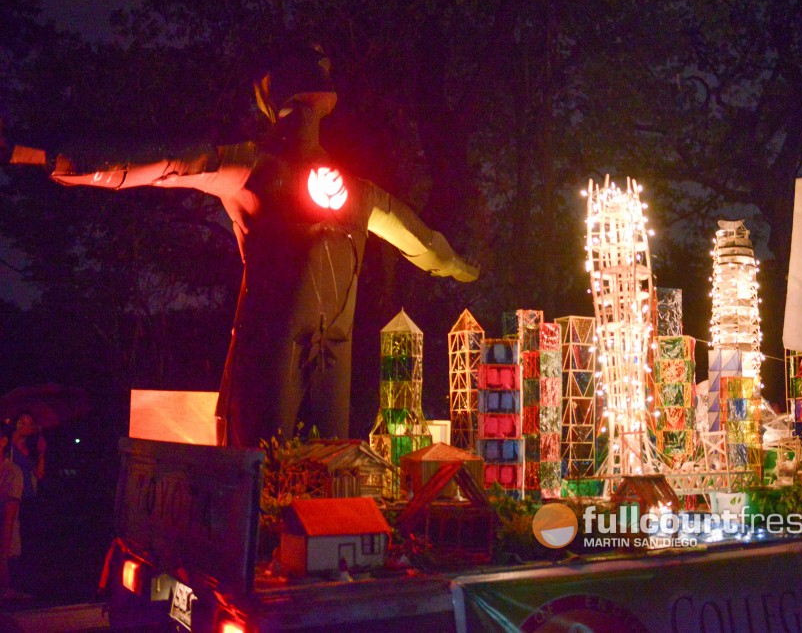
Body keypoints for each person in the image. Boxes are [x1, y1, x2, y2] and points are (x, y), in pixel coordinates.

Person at [48, 44, 479, 447]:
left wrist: (460, 265)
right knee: (261, 464)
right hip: (274, 355)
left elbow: (163, 163)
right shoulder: (258, 170)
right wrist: (49, 157)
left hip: (324, 357)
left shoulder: (336, 187)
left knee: (309, 467)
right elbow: (158, 162)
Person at [0, 424, 24, 600]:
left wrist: (3, 557)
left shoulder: (12, 473)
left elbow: (9, 519)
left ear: (3, 441)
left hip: (5, 541)